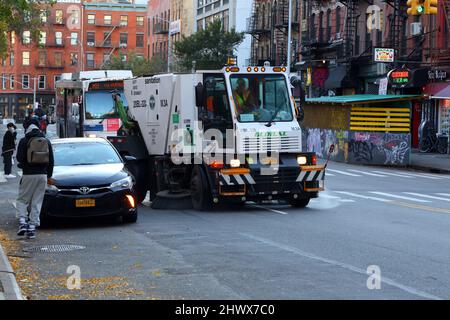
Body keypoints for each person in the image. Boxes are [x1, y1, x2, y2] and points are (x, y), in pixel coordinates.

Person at [16, 121, 54, 239]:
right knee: (37, 201)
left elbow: (19, 158)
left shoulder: (24, 140)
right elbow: (51, 160)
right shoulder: (46, 141)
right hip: (42, 175)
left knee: (23, 199)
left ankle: (22, 222)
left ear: (27, 128)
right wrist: (48, 176)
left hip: (28, 174)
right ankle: (32, 227)